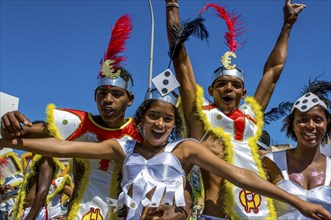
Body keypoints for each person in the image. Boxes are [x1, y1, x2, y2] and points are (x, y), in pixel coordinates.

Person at [0, 88, 331, 220]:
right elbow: (64, 146)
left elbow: (241, 175)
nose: (159, 123)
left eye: (167, 118)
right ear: (141, 120)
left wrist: (301, 203)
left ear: (174, 124)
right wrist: (11, 143)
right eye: (153, 116)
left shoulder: (184, 149)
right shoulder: (122, 147)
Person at [0, 14, 190, 220]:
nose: (108, 100)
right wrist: (8, 120)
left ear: (130, 100)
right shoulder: (76, 123)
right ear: (94, 97)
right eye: (102, 94)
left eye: (116, 94)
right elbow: (19, 134)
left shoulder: (142, 135)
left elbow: (173, 172)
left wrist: (184, 207)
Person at [166, 0, 305, 219]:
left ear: (243, 92)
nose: (228, 88)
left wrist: (288, 25)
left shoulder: (251, 117)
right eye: (221, 84)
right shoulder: (201, 118)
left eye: (236, 85)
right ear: (211, 90)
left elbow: (273, 71)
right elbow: (180, 59)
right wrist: (171, 5)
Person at [262, 91, 331, 219]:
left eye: (318, 120)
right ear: (292, 125)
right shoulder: (271, 163)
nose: (311, 126)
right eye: (303, 120)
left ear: (327, 124)